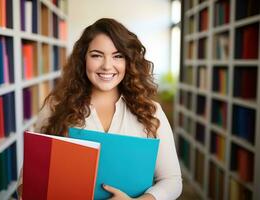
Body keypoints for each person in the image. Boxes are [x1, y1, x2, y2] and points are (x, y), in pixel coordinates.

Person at [18, 18, 182, 200]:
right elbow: (26, 181)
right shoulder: (55, 107)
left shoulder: (151, 112)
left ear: (128, 61)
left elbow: (172, 181)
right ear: (83, 59)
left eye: (118, 56)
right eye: (96, 55)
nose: (106, 65)